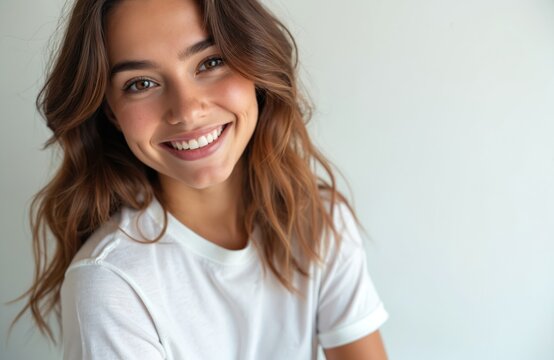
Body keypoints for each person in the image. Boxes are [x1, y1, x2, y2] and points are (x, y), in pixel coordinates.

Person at [12, 0, 389, 358]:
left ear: (256, 66)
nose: (187, 111)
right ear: (111, 112)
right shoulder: (110, 283)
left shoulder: (318, 221)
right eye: (141, 84)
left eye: (211, 62)